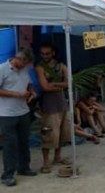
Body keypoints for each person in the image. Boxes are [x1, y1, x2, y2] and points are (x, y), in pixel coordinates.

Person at [0, 50, 37, 187]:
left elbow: (28, 84)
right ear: (19, 59)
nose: (26, 66)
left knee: (24, 141)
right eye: (25, 64)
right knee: (10, 144)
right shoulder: (2, 69)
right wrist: (17, 94)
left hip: (23, 111)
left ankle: (24, 167)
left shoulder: (24, 71)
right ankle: (8, 175)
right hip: (6, 113)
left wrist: (31, 91)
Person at [36, 43, 71, 174]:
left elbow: (68, 83)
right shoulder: (40, 67)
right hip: (48, 105)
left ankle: (57, 157)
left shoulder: (61, 66)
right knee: (49, 133)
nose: (45, 56)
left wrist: (54, 84)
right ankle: (46, 162)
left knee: (62, 132)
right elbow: (45, 87)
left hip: (61, 103)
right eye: (42, 54)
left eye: (47, 53)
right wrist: (61, 85)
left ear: (53, 53)